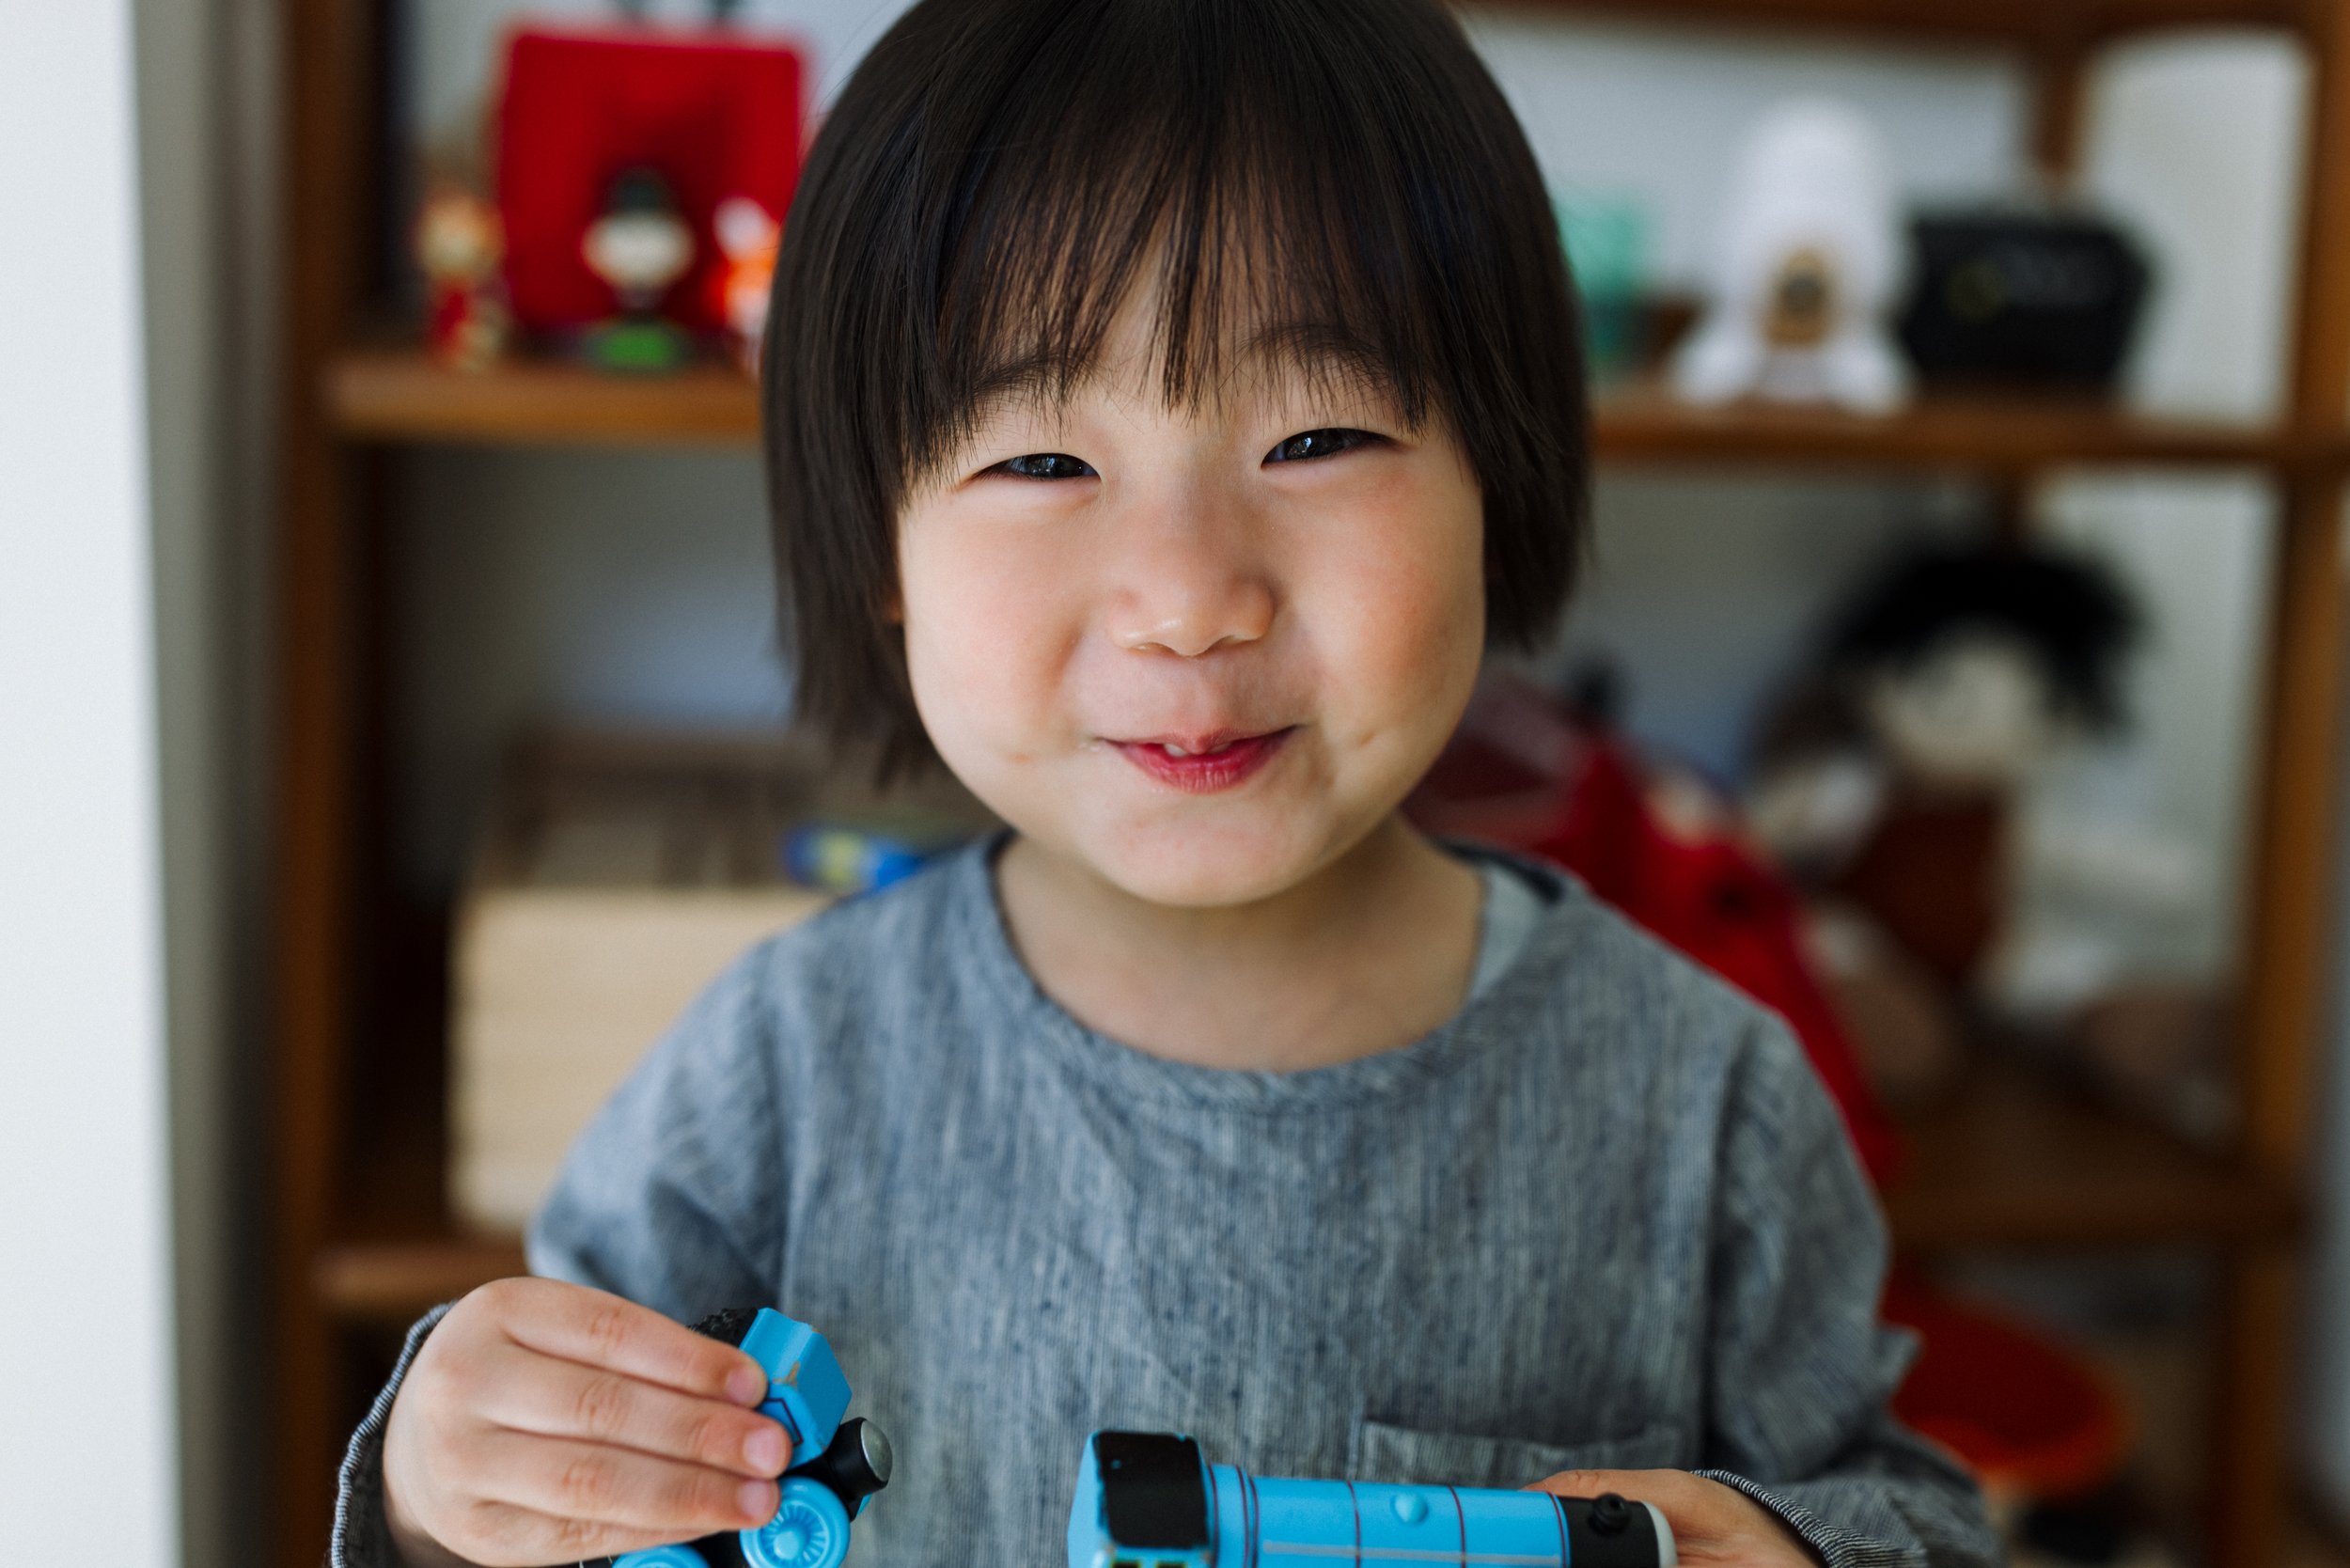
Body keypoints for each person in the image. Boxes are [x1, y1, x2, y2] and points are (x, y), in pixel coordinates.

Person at [337, 2, 1998, 1564]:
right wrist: (438, 1479)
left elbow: (1906, 1503)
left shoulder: (1703, 1103)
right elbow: (551, 1466)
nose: (1191, 595)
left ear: (1502, 472)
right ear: (886, 559)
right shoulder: (781, 1068)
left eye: (1319, 438)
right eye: (1044, 461)